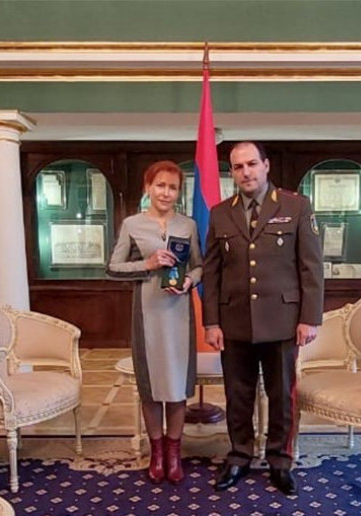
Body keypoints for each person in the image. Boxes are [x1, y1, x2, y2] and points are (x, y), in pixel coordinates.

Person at [202, 141, 324, 495]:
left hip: (283, 320)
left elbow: (311, 267)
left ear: (266, 165)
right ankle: (239, 455)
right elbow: (212, 272)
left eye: (252, 164)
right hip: (234, 321)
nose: (246, 172)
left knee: (281, 396)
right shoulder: (220, 213)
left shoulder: (296, 206)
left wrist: (309, 318)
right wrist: (211, 322)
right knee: (237, 395)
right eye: (238, 167)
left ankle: (280, 461)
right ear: (232, 172)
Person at [108, 160, 202, 484]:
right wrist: (146, 264)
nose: (166, 192)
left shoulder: (188, 225)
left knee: (176, 388)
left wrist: (190, 280)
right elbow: (113, 267)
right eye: (160, 185)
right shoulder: (131, 224)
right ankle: (157, 453)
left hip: (179, 315)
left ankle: (174, 454)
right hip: (147, 315)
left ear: (179, 192)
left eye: (173, 187)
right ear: (148, 188)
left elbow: (200, 265)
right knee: (151, 390)